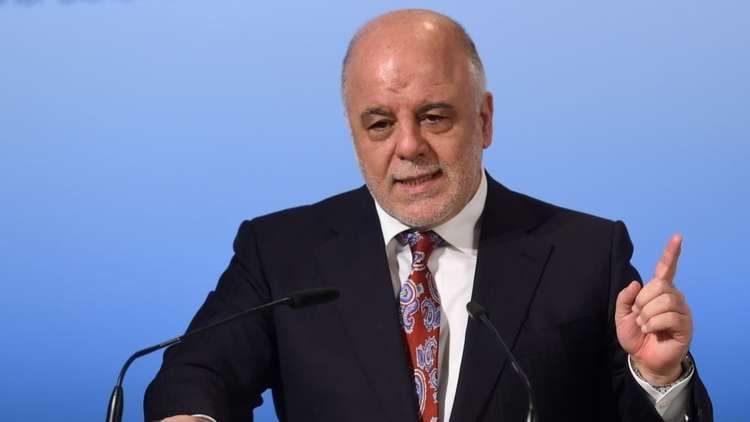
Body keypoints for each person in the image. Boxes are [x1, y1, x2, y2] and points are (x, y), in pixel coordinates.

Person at [145, 9, 712, 422]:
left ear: (484, 121)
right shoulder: (280, 253)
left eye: (434, 117)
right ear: (354, 134)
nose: (409, 146)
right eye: (380, 124)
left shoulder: (586, 253)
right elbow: (196, 373)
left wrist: (659, 377)